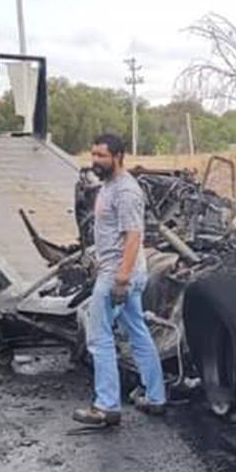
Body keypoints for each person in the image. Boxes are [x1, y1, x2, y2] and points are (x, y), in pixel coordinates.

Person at [72, 133, 166, 427]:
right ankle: (155, 397)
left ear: (118, 156)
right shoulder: (109, 186)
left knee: (99, 338)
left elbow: (134, 235)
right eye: (93, 155)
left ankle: (106, 406)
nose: (95, 161)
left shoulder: (125, 191)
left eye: (102, 156)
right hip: (121, 272)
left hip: (117, 274)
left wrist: (121, 279)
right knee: (138, 333)